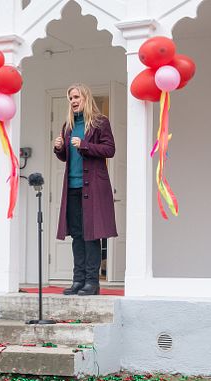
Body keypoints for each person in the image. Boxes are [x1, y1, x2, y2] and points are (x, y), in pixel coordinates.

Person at [53, 83, 117, 296]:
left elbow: (110, 150)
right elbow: (67, 158)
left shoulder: (99, 123)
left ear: (85, 98)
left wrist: (85, 145)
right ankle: (78, 280)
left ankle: (92, 282)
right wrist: (59, 149)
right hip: (72, 187)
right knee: (78, 235)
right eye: (70, 97)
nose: (73, 101)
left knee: (92, 235)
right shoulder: (67, 125)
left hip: (93, 187)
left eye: (76, 96)